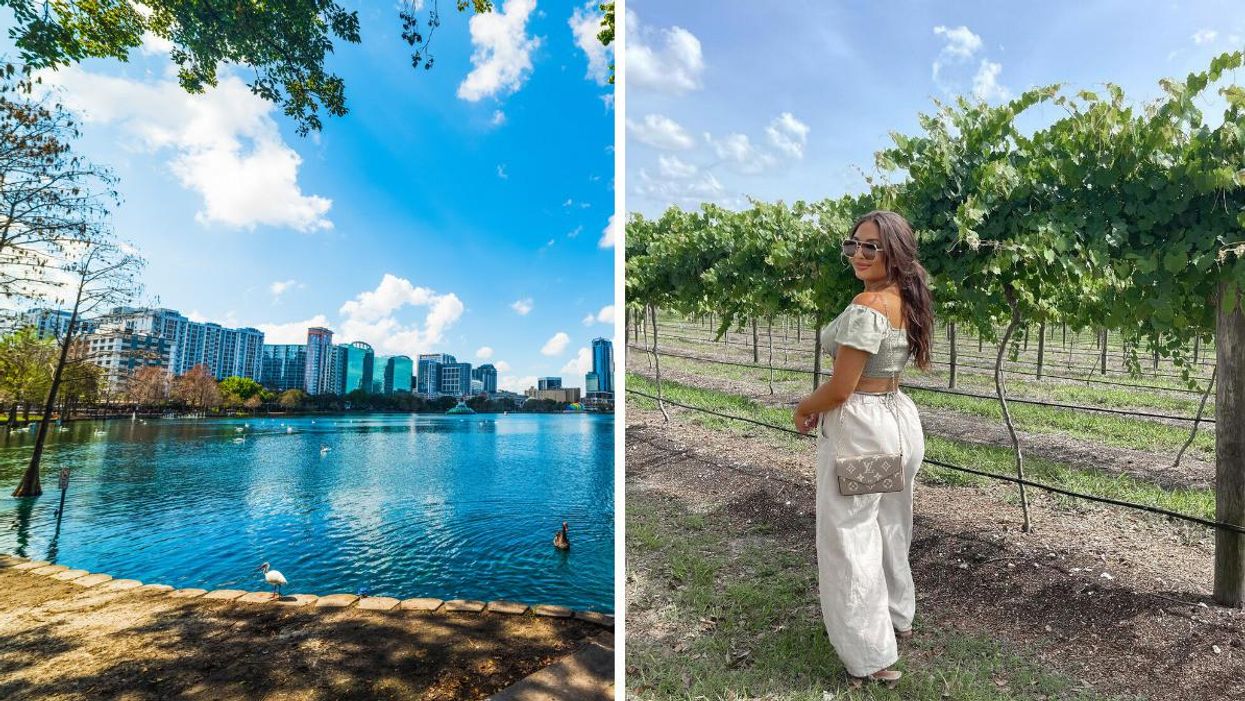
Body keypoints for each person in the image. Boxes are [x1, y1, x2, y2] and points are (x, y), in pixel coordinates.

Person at [792, 210, 932, 689]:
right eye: (853, 244)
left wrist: (803, 407)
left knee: (849, 537)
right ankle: (898, 615)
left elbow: (839, 390)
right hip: (899, 419)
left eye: (871, 246)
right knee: (891, 522)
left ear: (894, 250)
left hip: (863, 428)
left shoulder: (868, 304)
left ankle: (869, 654)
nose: (859, 254)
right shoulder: (906, 298)